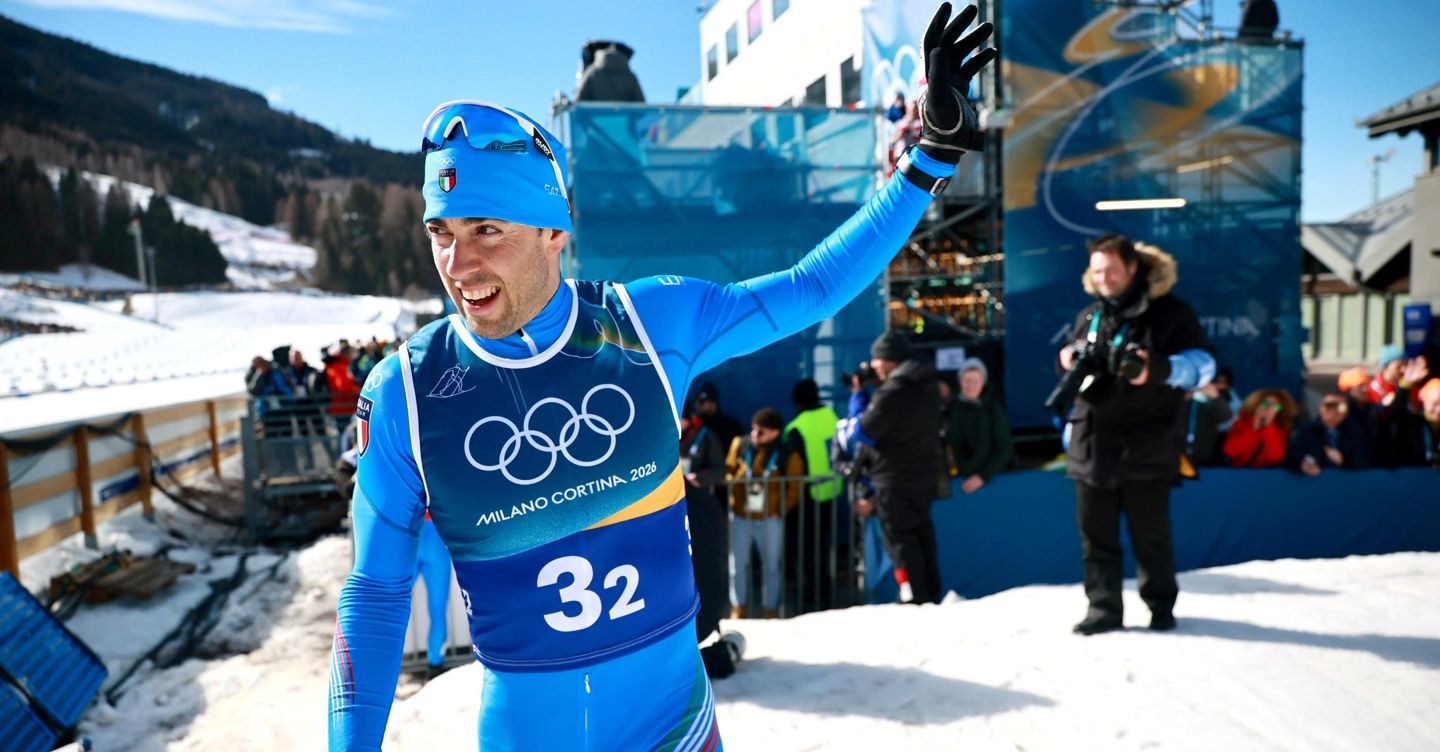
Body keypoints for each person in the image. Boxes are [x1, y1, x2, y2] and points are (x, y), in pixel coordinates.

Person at [327, 6, 996, 749]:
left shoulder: (648, 324)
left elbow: (811, 287)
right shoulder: (405, 393)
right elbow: (375, 597)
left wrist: (929, 158)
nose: (459, 265)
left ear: (553, 233)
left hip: (675, 728)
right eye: (441, 232)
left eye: (487, 230)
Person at [1056, 234, 1214, 635]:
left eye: (1110, 269)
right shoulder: (1089, 316)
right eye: (1096, 271)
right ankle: (1103, 609)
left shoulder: (1172, 314)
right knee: (1095, 538)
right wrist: (1068, 360)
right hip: (1092, 448)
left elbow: (1204, 366)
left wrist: (1156, 369)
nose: (1103, 278)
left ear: (1132, 268)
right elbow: (1078, 371)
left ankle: (1161, 606)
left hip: (1148, 447)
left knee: (1151, 538)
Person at [851, 329, 944, 605]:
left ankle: (913, 595)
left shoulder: (894, 390)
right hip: (923, 475)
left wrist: (859, 396)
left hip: (893, 479)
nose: (872, 366)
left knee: (900, 540)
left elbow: (864, 431)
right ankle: (930, 593)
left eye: (876, 360)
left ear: (889, 360)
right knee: (922, 534)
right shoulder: (926, 383)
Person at [726, 407, 803, 619]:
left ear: (775, 433)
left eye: (761, 432)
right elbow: (728, 472)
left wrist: (781, 509)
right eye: (753, 429)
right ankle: (738, 607)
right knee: (737, 564)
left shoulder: (787, 453)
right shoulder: (740, 445)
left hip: (770, 518)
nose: (754, 435)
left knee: (771, 566)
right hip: (741, 516)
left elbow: (795, 487)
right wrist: (739, 478)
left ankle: (771, 609)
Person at [783, 378, 844, 611]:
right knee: (825, 546)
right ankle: (826, 592)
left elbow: (793, 465)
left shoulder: (797, 427)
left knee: (809, 549)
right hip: (833, 491)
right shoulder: (832, 416)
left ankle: (813, 595)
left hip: (808, 496)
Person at [947, 357, 1013, 493]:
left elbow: (1004, 449)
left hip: (988, 482)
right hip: (956, 480)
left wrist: (983, 476)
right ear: (960, 381)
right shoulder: (951, 409)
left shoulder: (993, 410)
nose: (971, 386)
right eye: (967, 380)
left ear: (983, 383)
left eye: (975, 381)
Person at [1288, 393, 1373, 476]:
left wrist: (1343, 461)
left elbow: (1366, 463)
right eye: (1328, 406)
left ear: (1346, 412)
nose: (1333, 411)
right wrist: (1302, 466)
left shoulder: (1355, 434)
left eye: (1340, 407)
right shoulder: (1306, 431)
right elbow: (1292, 458)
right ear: (1320, 409)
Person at [1221, 388, 1296, 469]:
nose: (1269, 408)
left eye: (1276, 407)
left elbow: (1275, 457)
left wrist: (1268, 426)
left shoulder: (1281, 430)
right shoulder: (1241, 423)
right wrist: (1255, 428)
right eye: (1266, 404)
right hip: (1239, 471)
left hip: (1265, 473)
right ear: (1256, 405)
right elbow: (1230, 451)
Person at [1183, 380, 1232, 468]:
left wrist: (1215, 396)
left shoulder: (1208, 402)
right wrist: (1184, 397)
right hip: (1175, 456)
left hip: (1203, 458)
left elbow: (1225, 416)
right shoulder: (1177, 395)